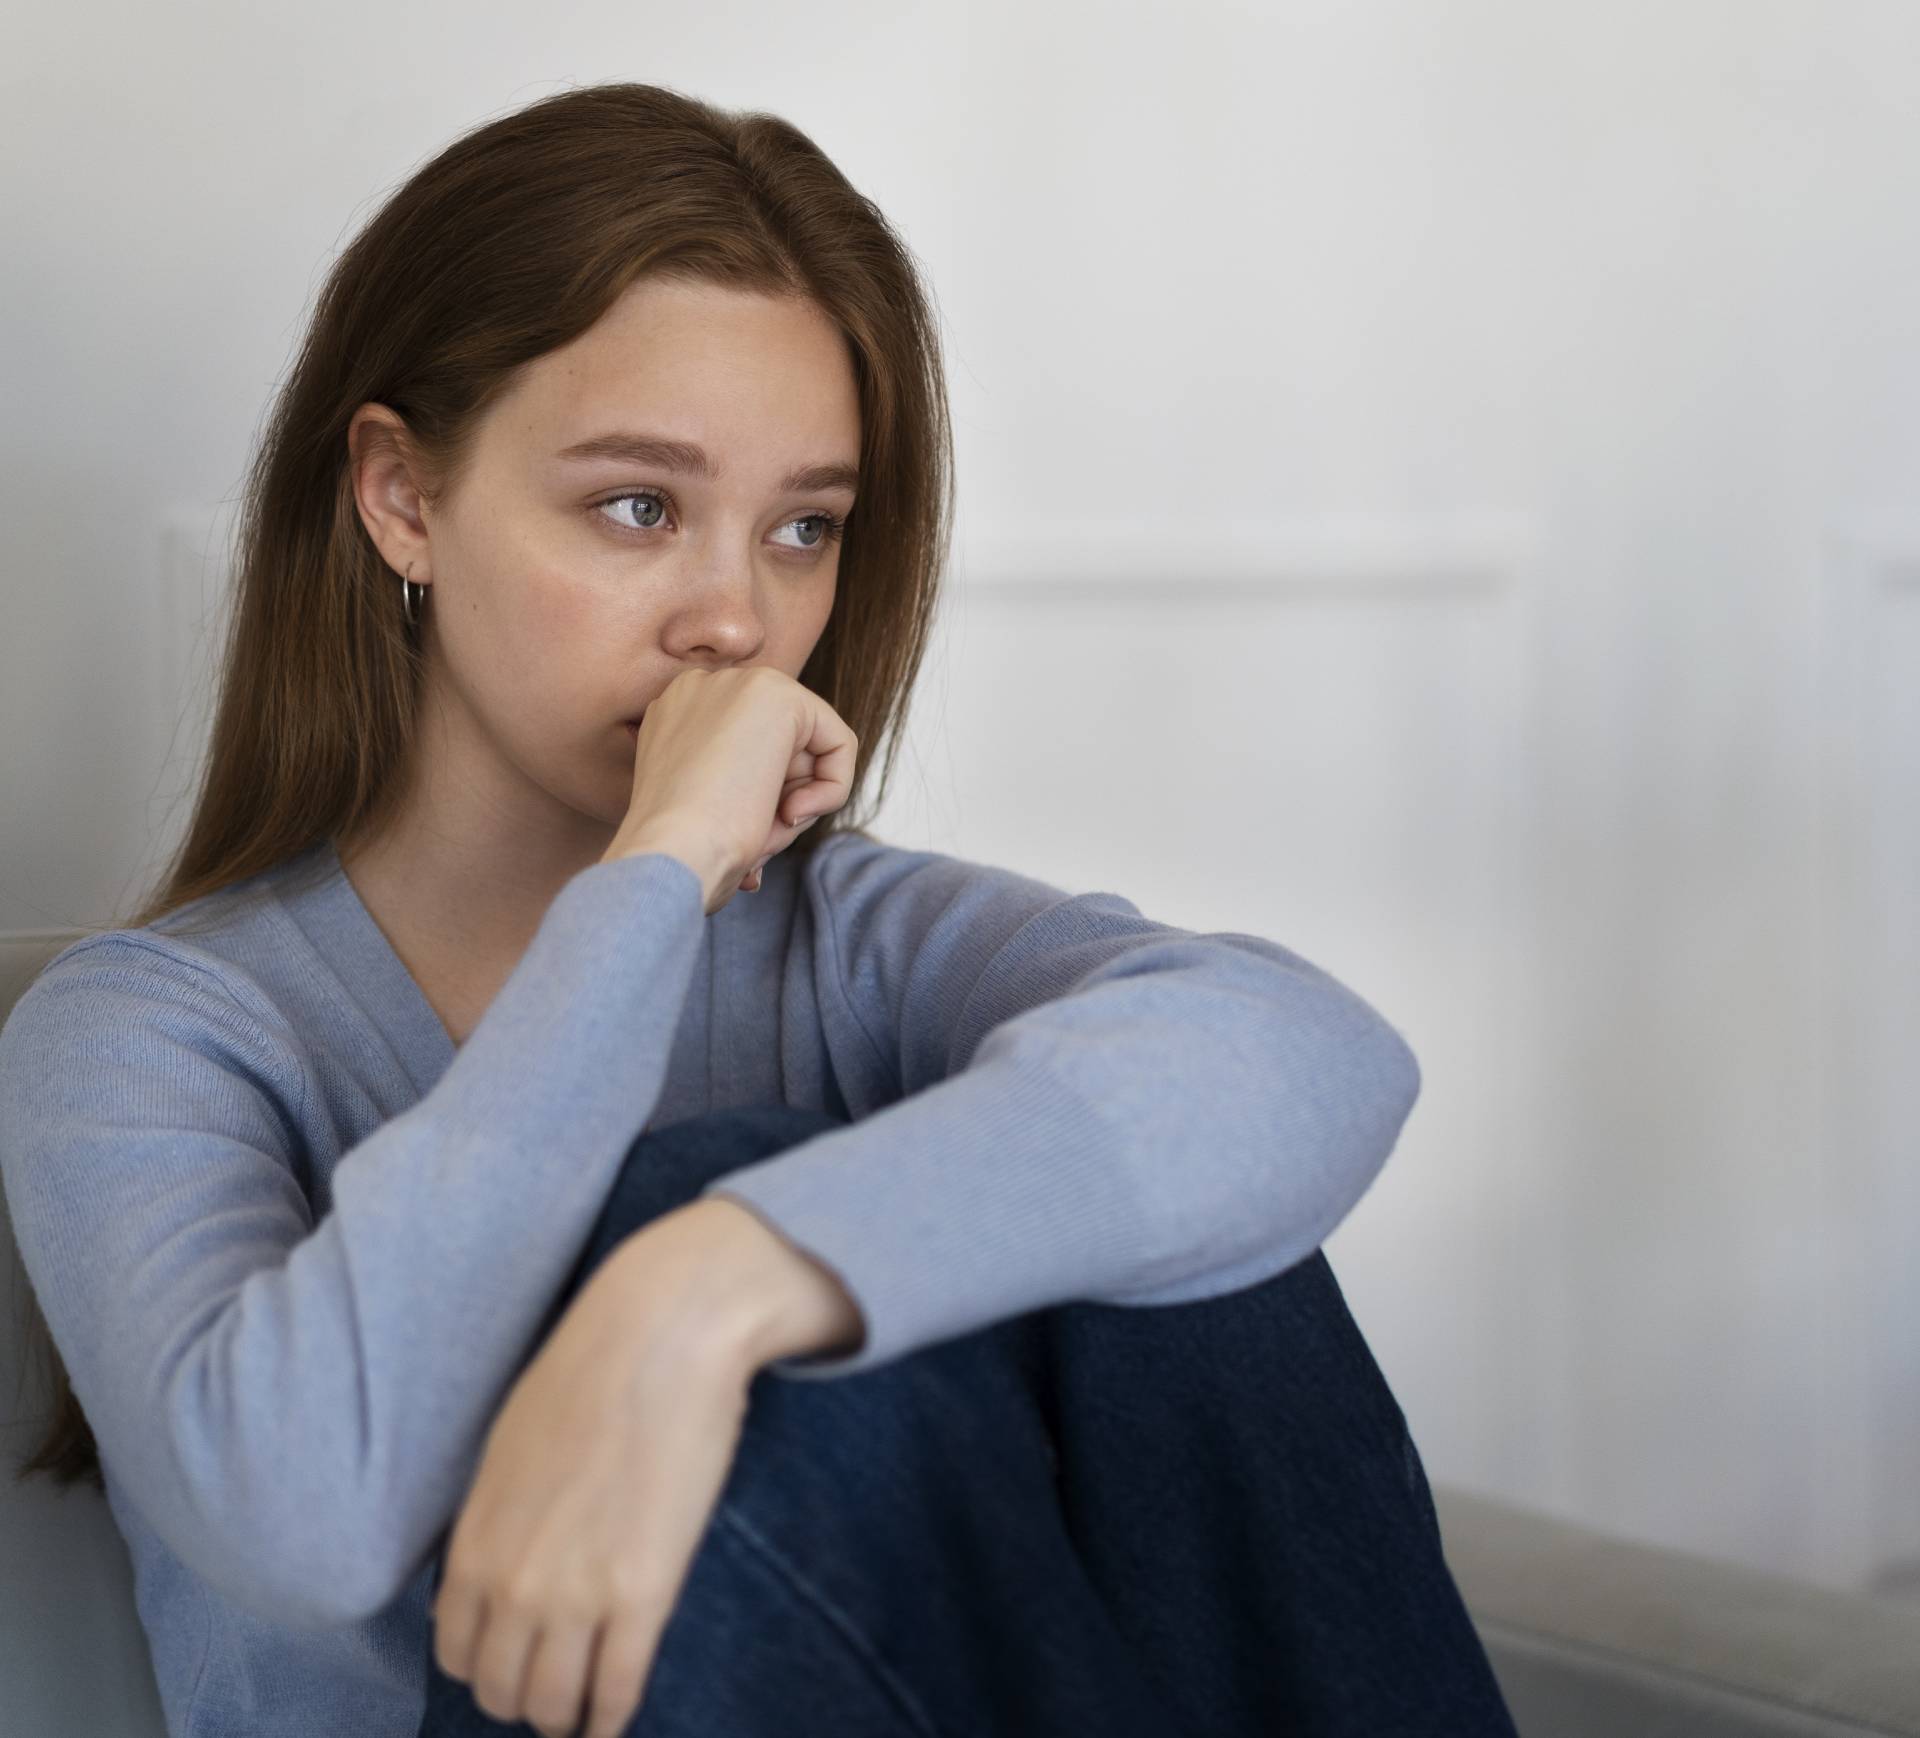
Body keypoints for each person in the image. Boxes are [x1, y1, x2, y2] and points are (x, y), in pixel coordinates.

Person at [0, 82, 1515, 1738]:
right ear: (402, 497)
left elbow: (1312, 1056)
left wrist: (702, 1294)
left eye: (804, 527)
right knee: (702, 1178)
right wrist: (654, 878)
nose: (737, 619)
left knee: (1167, 1210)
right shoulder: (149, 1033)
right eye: (638, 507)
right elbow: (303, 1511)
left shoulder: (851, 942)